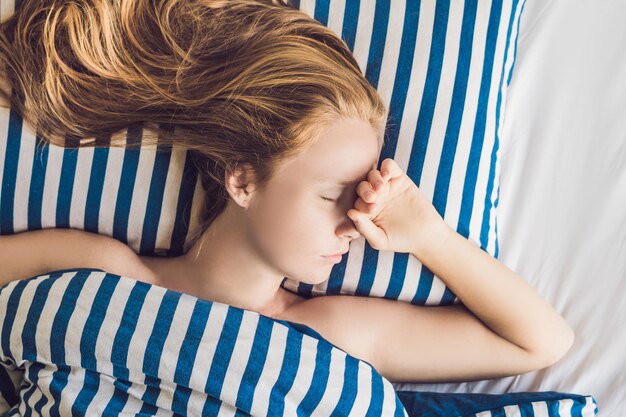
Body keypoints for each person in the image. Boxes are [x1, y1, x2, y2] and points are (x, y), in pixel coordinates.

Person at [0, 0, 574, 384]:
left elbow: (539, 344)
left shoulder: (332, 331)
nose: (357, 222)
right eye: (333, 195)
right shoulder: (103, 271)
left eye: (362, 194)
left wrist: (430, 236)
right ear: (243, 180)